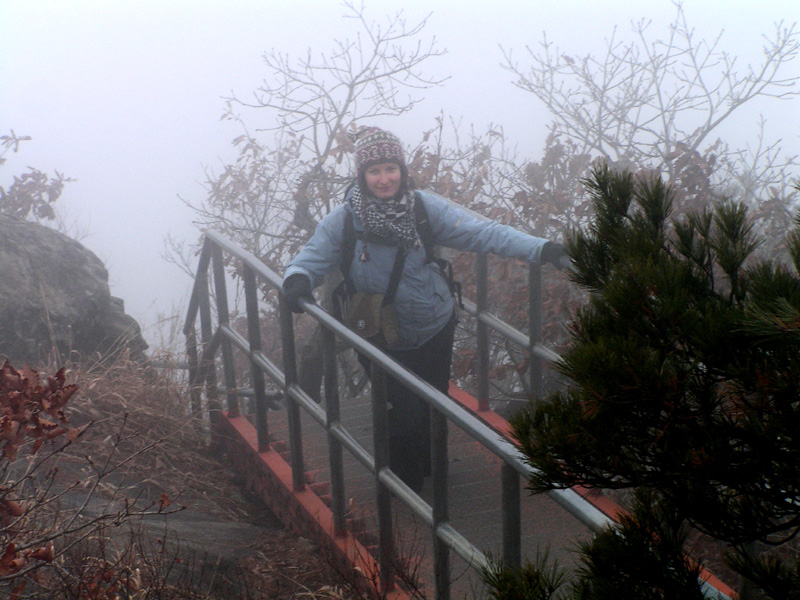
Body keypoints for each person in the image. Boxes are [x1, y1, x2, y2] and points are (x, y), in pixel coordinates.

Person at [282, 126, 569, 492]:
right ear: (361, 175)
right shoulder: (344, 220)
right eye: (374, 171)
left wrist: (543, 249)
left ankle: (435, 471)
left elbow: (484, 232)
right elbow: (310, 257)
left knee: (433, 406)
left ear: (402, 170)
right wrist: (297, 279)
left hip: (433, 325)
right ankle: (406, 494)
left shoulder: (423, 209)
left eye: (390, 169)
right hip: (376, 335)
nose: (384, 179)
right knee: (400, 415)